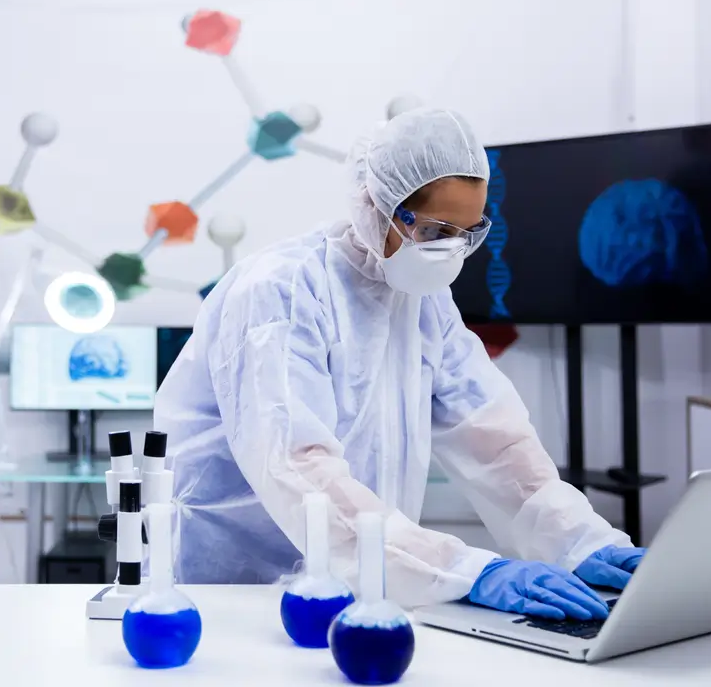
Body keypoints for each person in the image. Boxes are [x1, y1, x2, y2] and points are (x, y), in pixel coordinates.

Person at [154, 107, 646, 621]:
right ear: (378, 205)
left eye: (468, 232)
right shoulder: (280, 291)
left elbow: (495, 442)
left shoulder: (423, 303)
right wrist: (464, 569)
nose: (452, 251)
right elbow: (298, 469)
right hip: (238, 594)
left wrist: (582, 541)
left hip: (366, 587)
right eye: (437, 231)